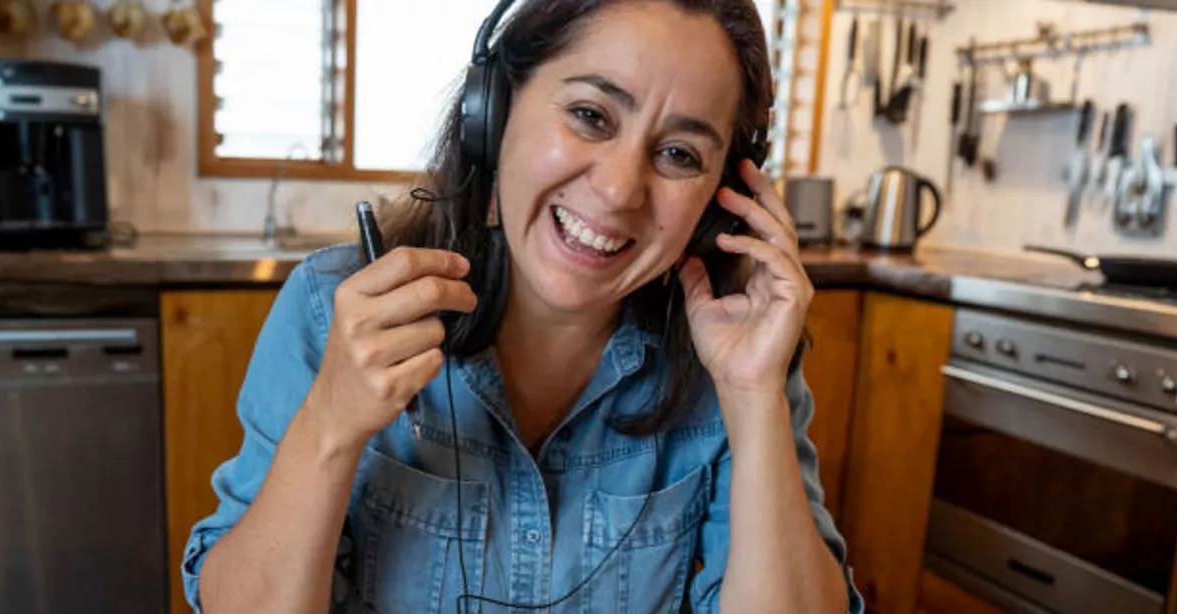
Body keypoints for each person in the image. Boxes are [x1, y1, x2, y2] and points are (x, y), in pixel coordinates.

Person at [182, 0, 864, 612]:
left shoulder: (738, 350)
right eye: (591, 116)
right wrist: (330, 425)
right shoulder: (332, 310)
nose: (621, 190)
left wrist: (752, 399)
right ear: (495, 114)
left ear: (721, 197)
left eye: (679, 154)